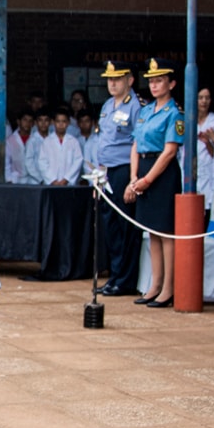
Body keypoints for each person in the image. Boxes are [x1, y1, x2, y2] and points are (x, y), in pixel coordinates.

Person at [125, 58, 184, 309]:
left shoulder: (174, 113)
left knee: (166, 232)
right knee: (152, 233)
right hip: (144, 170)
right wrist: (134, 178)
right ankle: (154, 285)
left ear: (171, 83)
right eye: (151, 81)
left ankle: (168, 289)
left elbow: (170, 151)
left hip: (163, 173)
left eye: (159, 80)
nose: (154, 85)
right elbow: (136, 145)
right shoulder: (146, 110)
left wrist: (148, 180)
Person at [96, 60, 143, 297]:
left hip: (125, 169)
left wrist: (133, 180)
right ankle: (114, 276)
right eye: (109, 79)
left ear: (130, 80)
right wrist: (99, 175)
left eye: (117, 79)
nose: (112, 84)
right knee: (111, 227)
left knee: (126, 228)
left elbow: (137, 143)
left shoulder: (136, 106)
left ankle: (125, 280)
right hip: (107, 172)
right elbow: (103, 141)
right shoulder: (107, 105)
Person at [193, 87, 214, 223]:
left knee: (207, 211)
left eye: (207, 98)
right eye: (201, 97)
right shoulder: (186, 120)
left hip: (211, 172)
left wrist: (208, 142)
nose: (204, 101)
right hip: (190, 173)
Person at [36, 107, 83, 186]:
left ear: (68, 123)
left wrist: (66, 179)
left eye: (63, 121)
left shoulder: (73, 141)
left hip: (68, 183)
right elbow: (42, 163)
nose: (61, 124)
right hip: (51, 184)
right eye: (58, 121)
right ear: (53, 122)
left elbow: (77, 161)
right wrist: (52, 180)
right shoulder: (47, 141)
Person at [4, 107, 35, 183]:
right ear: (18, 121)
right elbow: (7, 162)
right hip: (15, 179)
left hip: (34, 179)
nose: (27, 123)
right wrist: (9, 179)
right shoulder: (10, 140)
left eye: (30, 121)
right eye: (25, 120)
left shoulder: (36, 139)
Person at [22, 108, 52, 184]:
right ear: (36, 122)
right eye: (40, 120)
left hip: (52, 180)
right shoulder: (32, 141)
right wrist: (41, 179)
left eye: (46, 120)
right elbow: (28, 163)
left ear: (50, 122)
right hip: (36, 181)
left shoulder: (53, 139)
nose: (43, 123)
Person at [76, 108, 101, 181]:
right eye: (82, 121)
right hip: (80, 178)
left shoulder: (100, 140)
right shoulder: (75, 141)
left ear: (92, 122)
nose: (84, 124)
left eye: (87, 121)